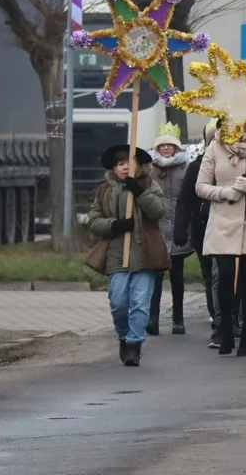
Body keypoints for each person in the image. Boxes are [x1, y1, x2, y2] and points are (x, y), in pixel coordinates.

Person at [195, 125, 246, 356]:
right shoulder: (214, 148)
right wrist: (224, 192)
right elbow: (200, 186)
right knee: (223, 276)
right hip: (223, 220)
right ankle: (225, 329)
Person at [85, 145, 168, 366]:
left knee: (140, 303)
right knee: (119, 302)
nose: (125, 167)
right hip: (117, 255)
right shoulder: (105, 191)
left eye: (128, 163)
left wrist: (139, 193)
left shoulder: (149, 185)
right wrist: (115, 225)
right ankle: (123, 334)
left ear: (138, 166)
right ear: (114, 168)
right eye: (120, 164)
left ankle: (134, 344)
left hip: (145, 254)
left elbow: (159, 210)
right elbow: (92, 221)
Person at [174, 122, 220, 345]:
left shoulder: (238, 165)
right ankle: (217, 317)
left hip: (231, 229)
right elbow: (185, 200)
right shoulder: (196, 167)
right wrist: (181, 230)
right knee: (211, 274)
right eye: (212, 138)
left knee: (230, 275)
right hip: (203, 229)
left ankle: (236, 318)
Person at [147, 122, 194, 337]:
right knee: (156, 277)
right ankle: (153, 318)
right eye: (162, 145)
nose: (166, 149)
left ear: (176, 147)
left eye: (170, 145)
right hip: (157, 227)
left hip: (178, 226)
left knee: (177, 276)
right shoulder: (149, 168)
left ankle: (178, 318)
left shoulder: (185, 167)